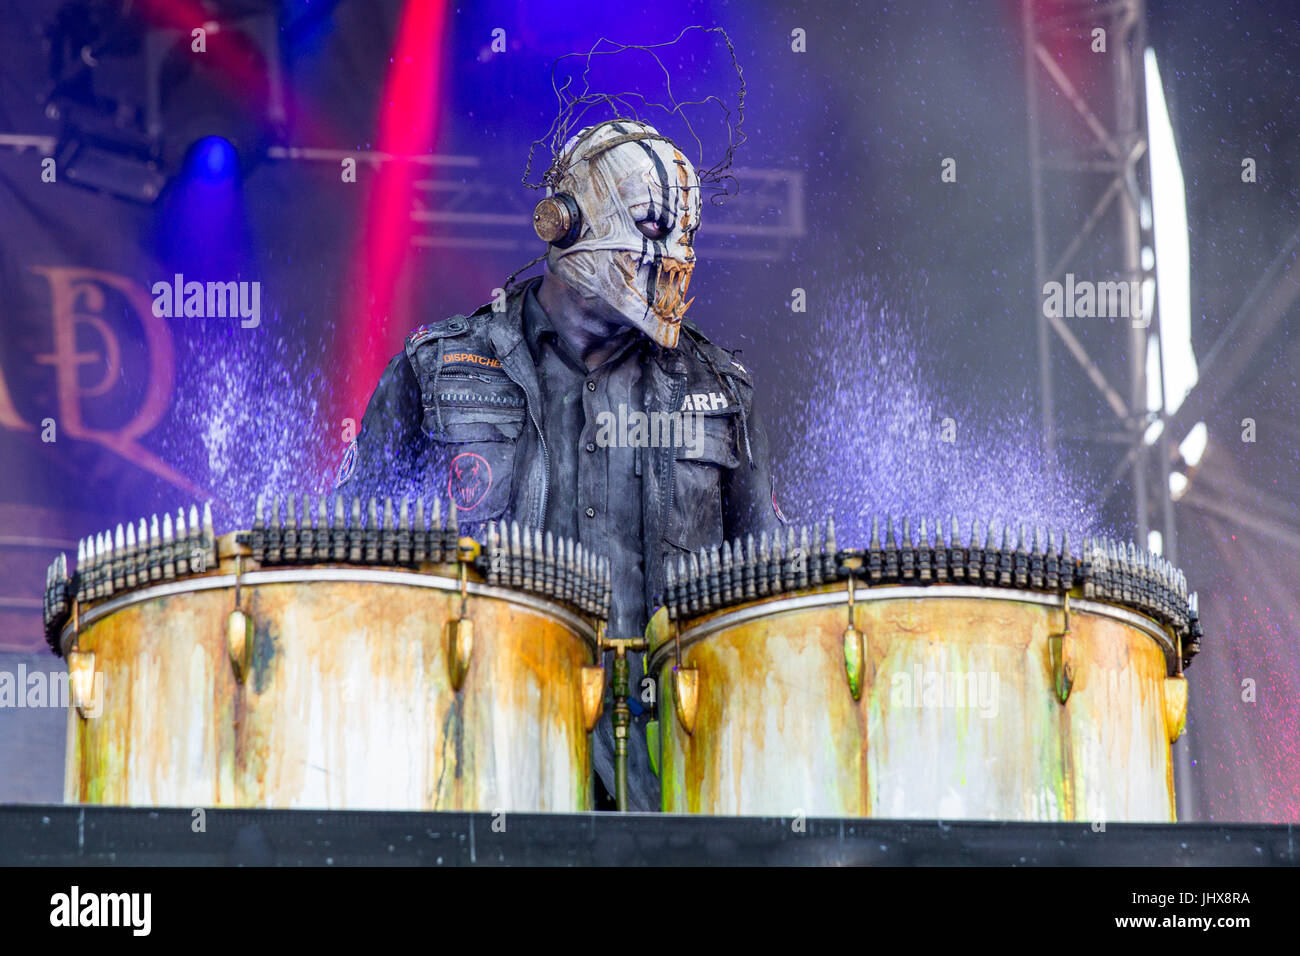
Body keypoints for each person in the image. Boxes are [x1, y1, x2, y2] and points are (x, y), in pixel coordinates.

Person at [337, 119, 784, 810]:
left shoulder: (720, 389)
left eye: (686, 233)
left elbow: (770, 604)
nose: (674, 255)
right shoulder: (435, 370)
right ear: (565, 222)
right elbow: (350, 577)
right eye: (653, 224)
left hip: (667, 789)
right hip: (484, 771)